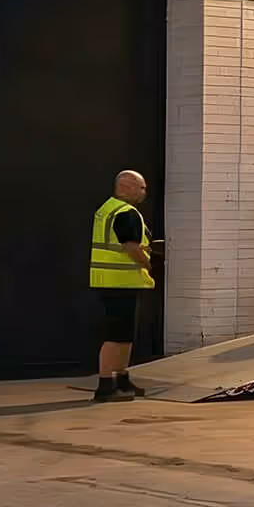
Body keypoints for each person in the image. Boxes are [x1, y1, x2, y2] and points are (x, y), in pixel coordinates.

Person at [89, 170, 156, 402]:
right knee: (116, 336)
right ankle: (106, 385)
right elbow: (131, 247)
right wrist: (149, 263)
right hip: (120, 283)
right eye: (142, 188)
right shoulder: (126, 213)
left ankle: (122, 379)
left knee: (125, 335)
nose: (144, 192)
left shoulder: (107, 209)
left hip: (113, 282)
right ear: (127, 187)